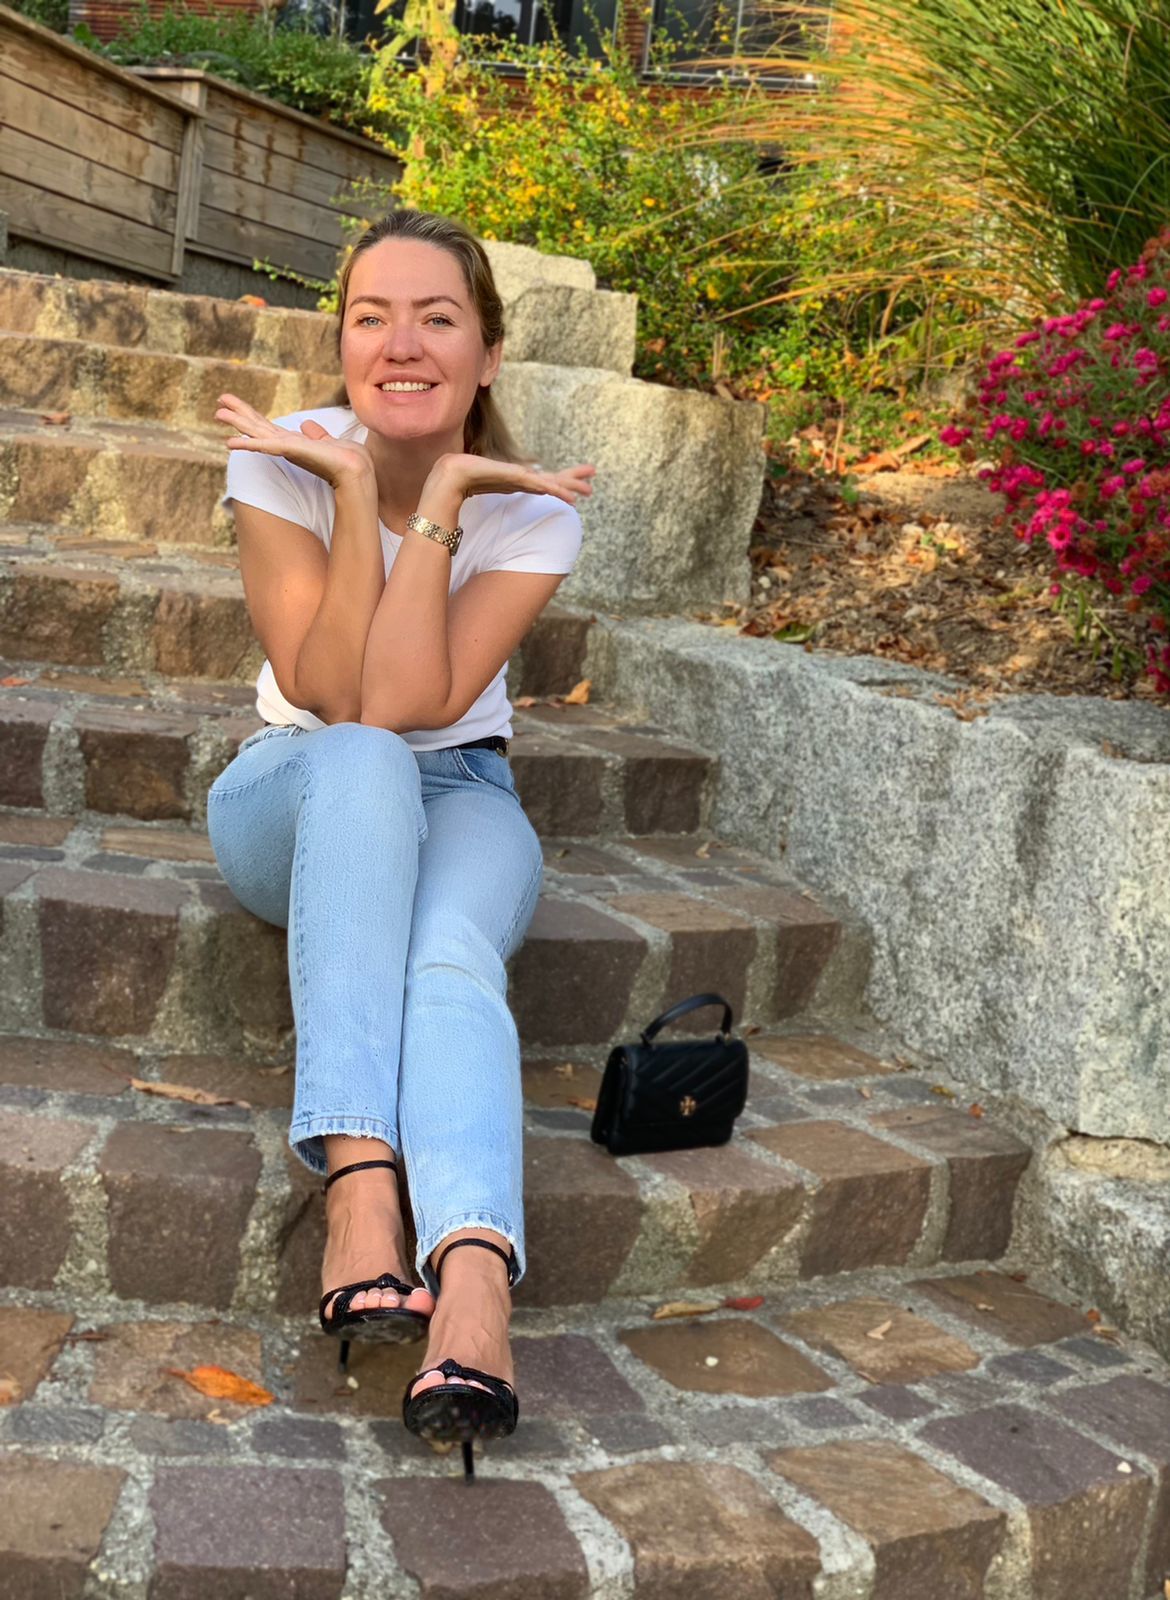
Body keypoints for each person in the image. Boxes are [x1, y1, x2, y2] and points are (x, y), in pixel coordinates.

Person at [206, 208, 595, 1477]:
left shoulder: (529, 511)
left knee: (448, 957)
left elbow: (420, 702)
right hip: (300, 786)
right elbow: (341, 701)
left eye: (438, 317)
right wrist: (347, 488)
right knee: (364, 758)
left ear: (489, 353)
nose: (401, 343)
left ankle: (474, 1286)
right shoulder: (285, 457)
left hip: (462, 785)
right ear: (343, 340)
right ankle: (359, 1179)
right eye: (371, 316)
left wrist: (436, 507)